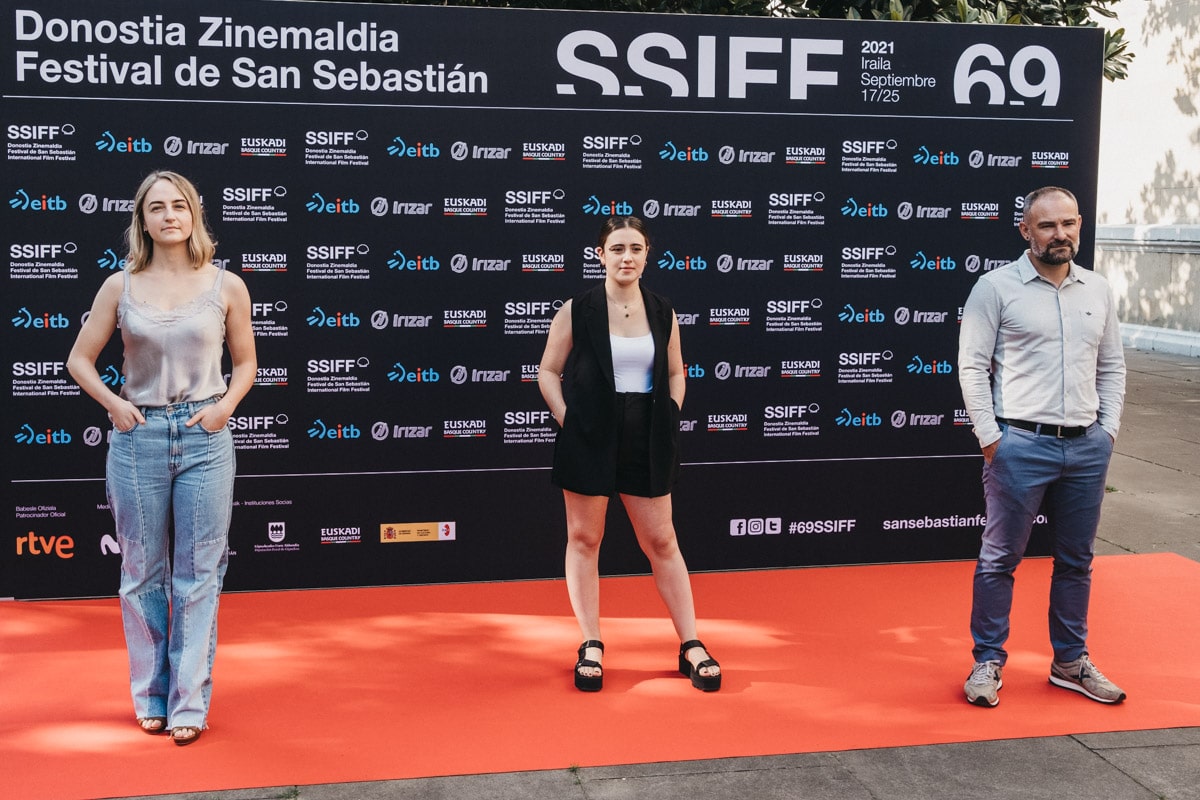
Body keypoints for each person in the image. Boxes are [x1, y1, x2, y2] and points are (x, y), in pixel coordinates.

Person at [67, 170, 256, 744]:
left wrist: (225, 408)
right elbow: (79, 359)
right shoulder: (119, 286)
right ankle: (150, 696)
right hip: (139, 438)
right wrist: (114, 405)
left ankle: (188, 704)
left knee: (199, 574)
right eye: (157, 207)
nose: (169, 215)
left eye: (179, 205)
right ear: (143, 221)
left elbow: (247, 363)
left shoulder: (226, 285)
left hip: (205, 437)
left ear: (194, 214)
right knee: (141, 572)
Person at [957, 186, 1126, 708]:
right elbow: (972, 366)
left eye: (1069, 223)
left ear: (1079, 226)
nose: (1060, 234)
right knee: (999, 560)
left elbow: (1112, 366)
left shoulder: (1098, 289)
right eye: (1048, 225)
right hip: (1019, 446)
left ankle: (1070, 663)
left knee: (1077, 561)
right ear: (1026, 230)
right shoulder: (995, 287)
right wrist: (991, 438)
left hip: (1087, 447)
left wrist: (1108, 430)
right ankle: (987, 661)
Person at [538, 216, 720, 692]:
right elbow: (548, 370)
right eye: (617, 248)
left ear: (646, 255)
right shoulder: (576, 310)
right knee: (584, 539)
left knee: (662, 541)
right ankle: (591, 644)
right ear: (600, 255)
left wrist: (669, 415)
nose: (627, 257)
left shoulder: (662, 310)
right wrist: (569, 420)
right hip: (589, 434)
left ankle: (691, 644)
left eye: (635, 249)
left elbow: (677, 373)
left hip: (648, 435)